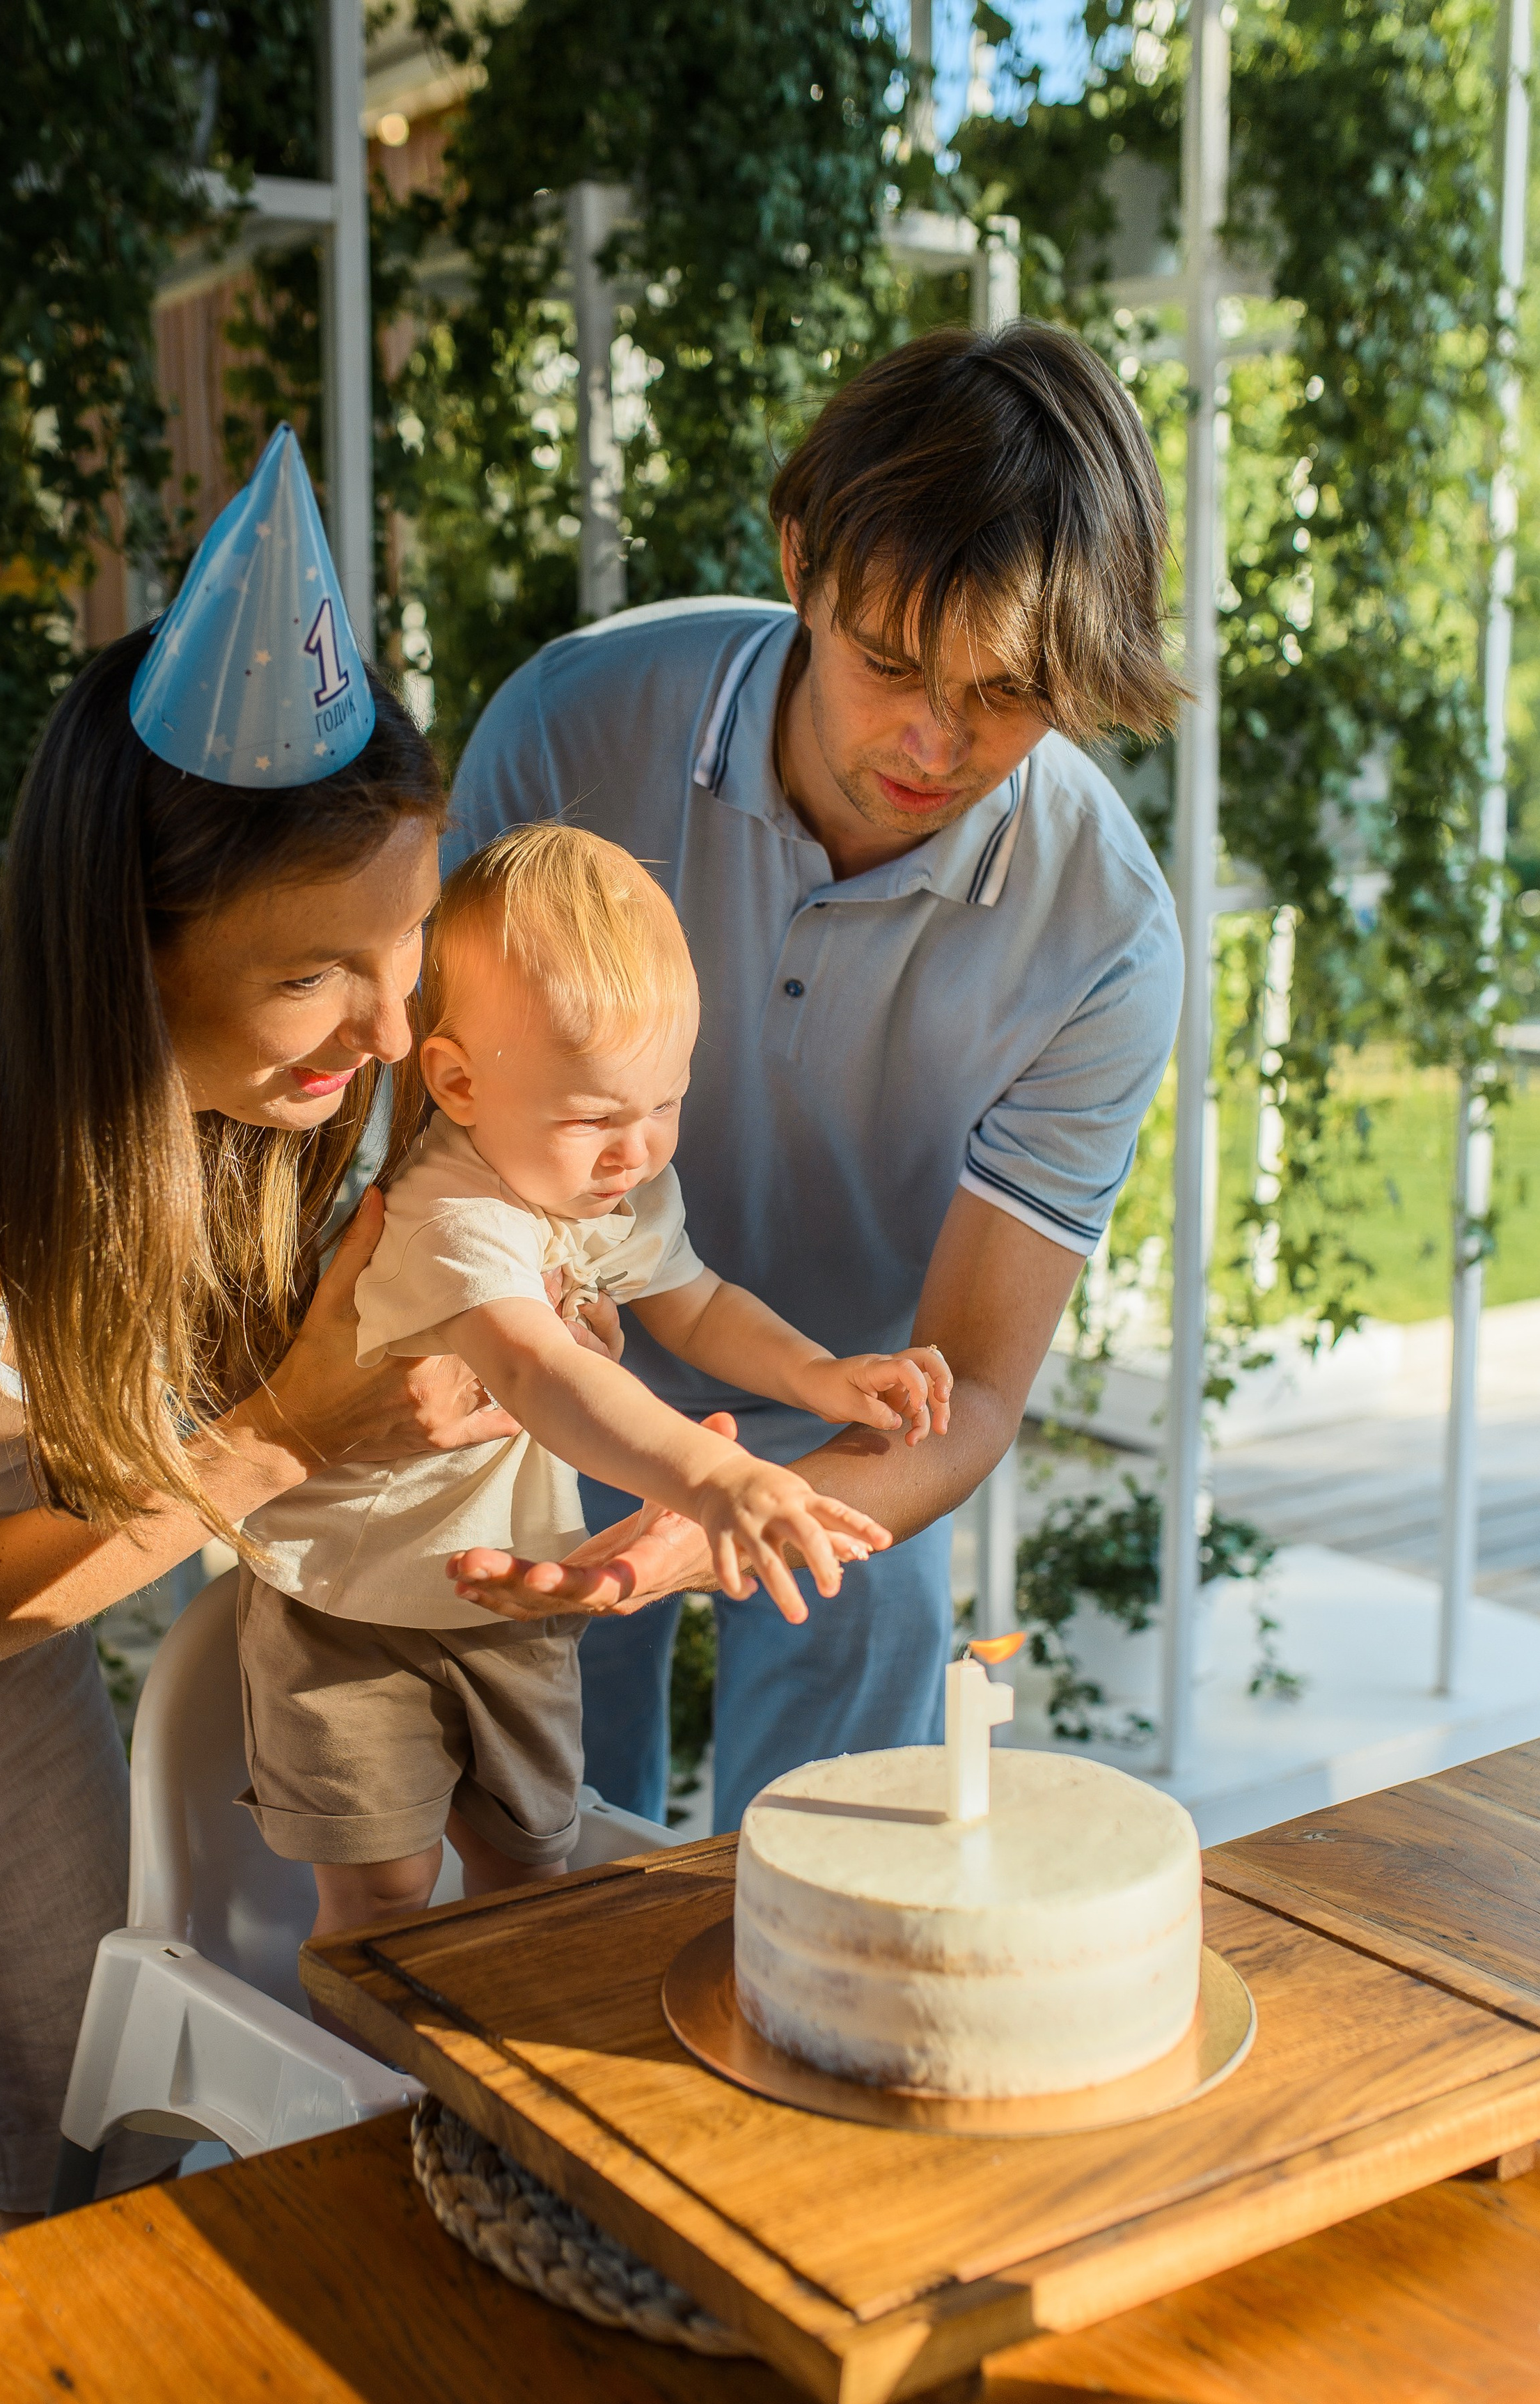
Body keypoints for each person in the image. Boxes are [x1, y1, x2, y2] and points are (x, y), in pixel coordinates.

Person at [0, 426, 503, 2304]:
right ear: (130, 949)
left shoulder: (258, 1092)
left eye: (405, 944)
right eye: (317, 973)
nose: (394, 1024)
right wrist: (286, 1434)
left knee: (61, 2108)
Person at [442, 320, 1186, 1829]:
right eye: (889, 662)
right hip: (542, 1366)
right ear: (799, 559)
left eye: (1007, 693)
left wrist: (724, 1516)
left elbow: (968, 1388)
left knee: (827, 1890)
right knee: (530, 1871)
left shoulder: (1105, 935)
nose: (932, 739)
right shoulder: (566, 731)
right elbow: (433, 1118)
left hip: (858, 1422)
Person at [236, 822, 948, 1937]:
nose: (639, 1152)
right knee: (382, 1898)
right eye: (598, 1118)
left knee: (529, 1863)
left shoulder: (606, 1187)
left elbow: (698, 1303)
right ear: (459, 1083)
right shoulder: (450, 1217)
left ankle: (498, 2079)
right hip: (352, 1608)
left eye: (666, 1104)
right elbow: (538, 1368)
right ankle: (384, 2094)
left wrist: (822, 1379)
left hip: (510, 1596)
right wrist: (716, 1474)